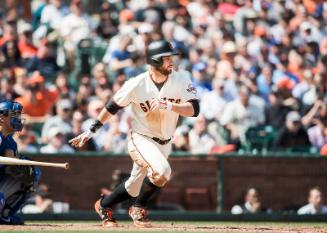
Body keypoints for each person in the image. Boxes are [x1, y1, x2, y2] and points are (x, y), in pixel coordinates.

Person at [69, 40, 199, 228]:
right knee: (162, 172)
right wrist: (91, 130)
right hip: (141, 138)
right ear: (155, 61)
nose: (171, 61)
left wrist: (169, 105)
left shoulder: (181, 80)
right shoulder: (136, 84)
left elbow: (194, 109)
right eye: (166, 58)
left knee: (133, 186)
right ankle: (138, 208)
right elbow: (112, 107)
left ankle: (104, 205)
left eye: (172, 57)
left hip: (165, 142)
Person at [0, 100, 40, 225]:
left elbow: (10, 168)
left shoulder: (11, 142)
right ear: (1, 117)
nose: (18, 118)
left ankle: (4, 215)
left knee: (33, 173)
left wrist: (17, 164)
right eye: (14, 115)